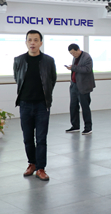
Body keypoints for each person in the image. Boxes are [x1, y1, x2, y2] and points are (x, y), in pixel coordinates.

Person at [13, 30, 57, 181]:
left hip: (42, 105)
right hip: (25, 104)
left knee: (41, 138)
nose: (32, 43)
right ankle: (31, 163)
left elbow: (52, 80)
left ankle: (41, 168)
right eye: (30, 40)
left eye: (36, 40)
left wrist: (45, 96)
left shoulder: (48, 61)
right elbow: (17, 78)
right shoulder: (19, 60)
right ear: (26, 42)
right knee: (27, 138)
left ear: (41, 43)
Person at [65, 44, 95, 135]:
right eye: (71, 53)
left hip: (83, 86)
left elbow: (87, 69)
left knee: (85, 107)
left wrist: (73, 67)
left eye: (74, 53)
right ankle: (75, 126)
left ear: (78, 49)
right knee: (73, 106)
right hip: (74, 85)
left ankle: (88, 128)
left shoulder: (86, 57)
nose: (73, 55)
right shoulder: (75, 58)